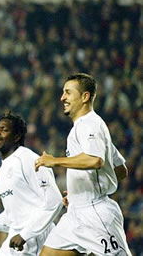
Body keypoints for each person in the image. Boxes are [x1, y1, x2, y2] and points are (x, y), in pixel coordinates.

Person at [35, 73, 131, 255]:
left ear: (85, 97)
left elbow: (95, 160)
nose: (62, 97)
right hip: (75, 213)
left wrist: (54, 161)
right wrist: (81, 189)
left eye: (68, 92)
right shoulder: (81, 128)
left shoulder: (90, 124)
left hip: (95, 214)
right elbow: (120, 169)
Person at [0, 112, 63, 255]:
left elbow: (54, 201)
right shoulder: (3, 170)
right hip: (17, 241)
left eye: (4, 129)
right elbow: (14, 214)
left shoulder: (29, 160)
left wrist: (25, 235)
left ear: (17, 136)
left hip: (37, 239)